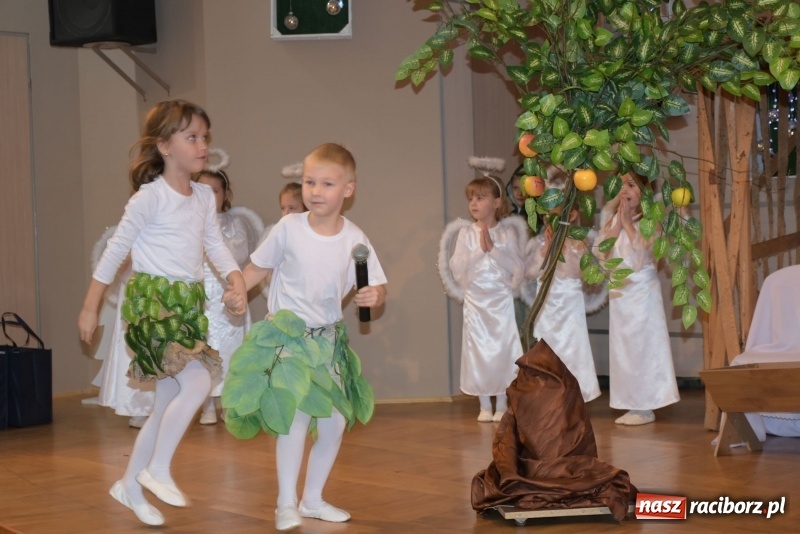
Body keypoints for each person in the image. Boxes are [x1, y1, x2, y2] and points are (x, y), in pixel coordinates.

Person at [77, 100, 247, 526]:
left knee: (169, 400)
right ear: (165, 146)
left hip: (187, 307)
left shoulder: (204, 196)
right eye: (191, 137)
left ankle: (130, 486)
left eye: (205, 136)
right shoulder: (149, 199)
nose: (202, 144)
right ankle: (158, 469)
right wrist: (90, 306)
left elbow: (214, 244)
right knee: (200, 378)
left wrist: (236, 278)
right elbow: (115, 253)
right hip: (152, 308)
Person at [225, 142, 387, 531]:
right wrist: (236, 294)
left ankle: (312, 498)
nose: (315, 191)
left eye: (326, 183)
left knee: (333, 423)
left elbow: (377, 289)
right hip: (287, 338)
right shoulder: (289, 228)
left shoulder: (354, 239)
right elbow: (256, 268)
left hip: (327, 341)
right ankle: (286, 502)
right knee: (294, 418)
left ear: (348, 189)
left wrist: (374, 295)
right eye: (309, 182)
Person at [597, 172, 679, 425]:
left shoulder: (652, 219)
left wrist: (629, 225)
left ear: (644, 189)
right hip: (620, 293)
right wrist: (618, 225)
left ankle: (647, 405)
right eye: (621, 186)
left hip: (642, 293)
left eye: (631, 185)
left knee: (644, 346)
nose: (624, 190)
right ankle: (631, 402)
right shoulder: (611, 218)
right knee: (624, 349)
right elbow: (601, 255)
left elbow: (648, 256)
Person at [447, 169, 524, 423]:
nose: (473, 204)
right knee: (477, 350)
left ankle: (502, 400)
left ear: (497, 202)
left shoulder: (506, 233)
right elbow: (457, 269)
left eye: (480, 198)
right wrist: (481, 251)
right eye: (471, 199)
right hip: (476, 302)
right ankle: (484, 402)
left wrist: (494, 250)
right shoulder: (466, 233)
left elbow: (516, 269)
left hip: (500, 301)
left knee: (503, 349)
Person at [194, 149, 264, 425]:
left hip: (227, 292)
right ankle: (206, 404)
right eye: (203, 190)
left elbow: (238, 257)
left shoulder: (235, 223)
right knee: (205, 347)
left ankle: (232, 402)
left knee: (232, 348)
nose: (209, 197)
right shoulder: (188, 223)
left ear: (225, 195)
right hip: (201, 295)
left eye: (215, 191)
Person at [526, 197, 601, 403]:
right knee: (547, 347)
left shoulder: (581, 242)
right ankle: (547, 393)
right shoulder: (540, 243)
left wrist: (565, 249)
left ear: (572, 215)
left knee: (573, 347)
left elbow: (583, 274)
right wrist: (547, 249)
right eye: (545, 216)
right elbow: (531, 272)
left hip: (569, 303)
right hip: (547, 304)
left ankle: (575, 395)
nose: (548, 220)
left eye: (554, 215)